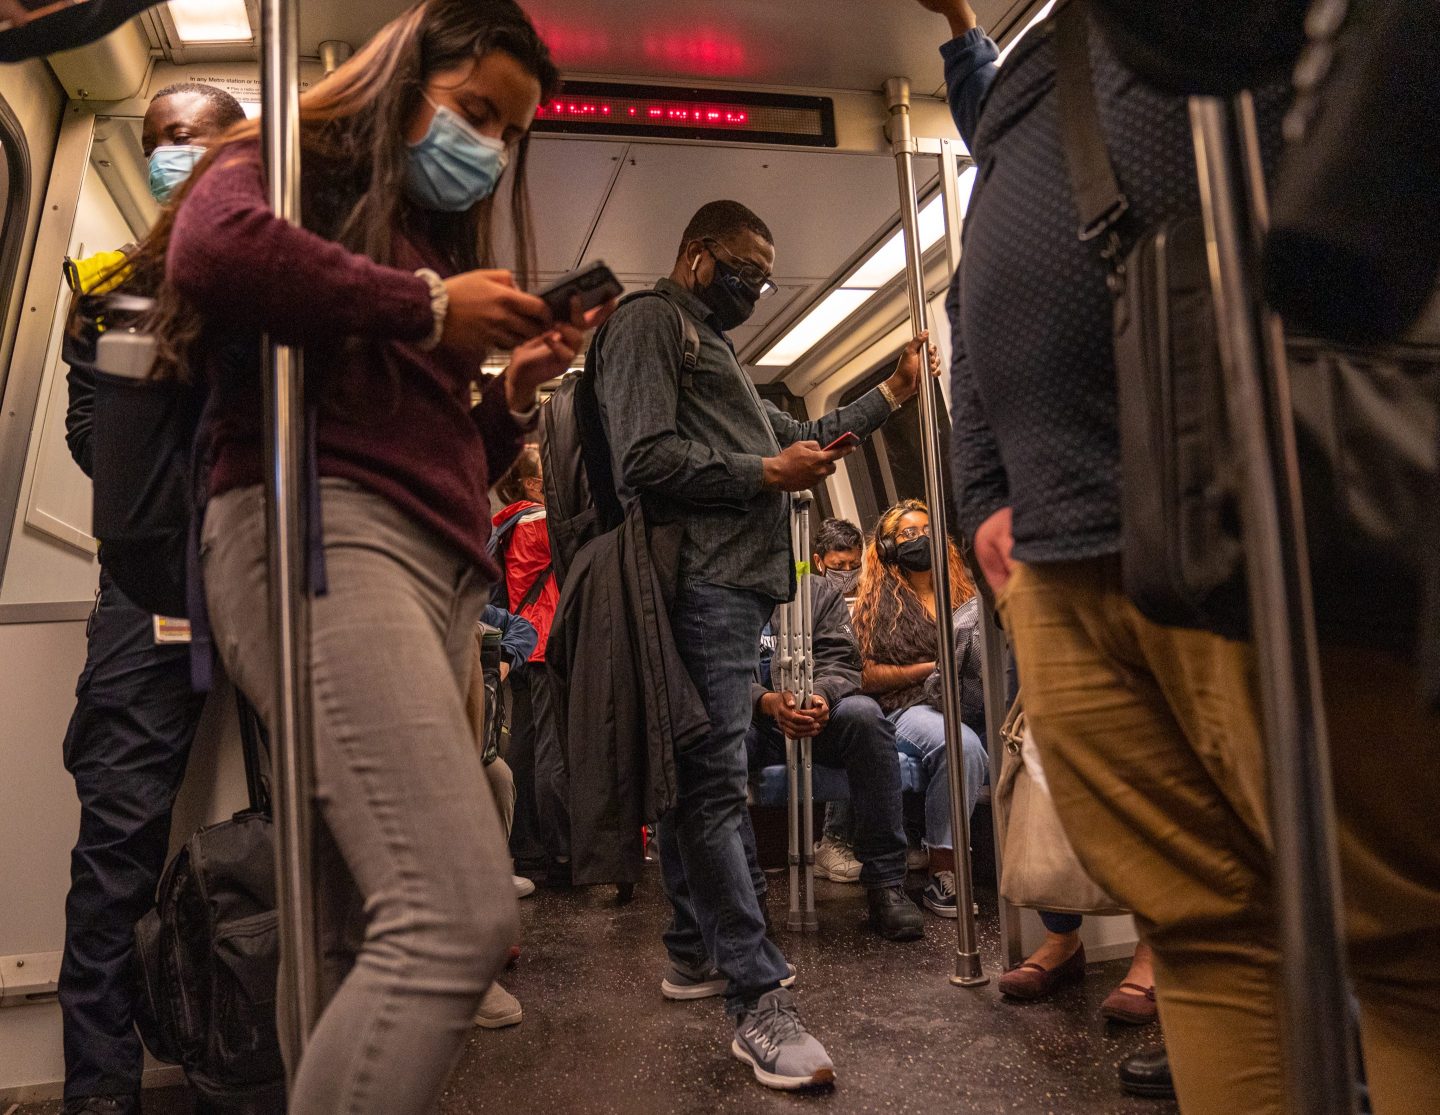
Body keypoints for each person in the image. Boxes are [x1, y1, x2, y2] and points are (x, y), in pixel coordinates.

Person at [919, 0, 1440, 1111]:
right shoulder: (1042, 62)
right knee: (1200, 930)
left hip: (1270, 495)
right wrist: (982, 496)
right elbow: (979, 293)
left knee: (1404, 936)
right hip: (1059, 552)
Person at [125, 2, 614, 1110]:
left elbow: (431, 455)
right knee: (455, 905)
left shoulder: (410, 245)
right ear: (405, 77)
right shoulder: (292, 164)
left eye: (506, 135)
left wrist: (513, 396)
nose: (486, 149)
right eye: (475, 112)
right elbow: (212, 242)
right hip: (321, 539)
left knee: (355, 927)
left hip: (422, 567)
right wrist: (429, 305)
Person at [592, 197, 939, 1090]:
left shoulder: (727, 364)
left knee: (694, 776)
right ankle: (756, 998)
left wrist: (892, 393)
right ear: (697, 255)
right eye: (744, 267)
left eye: (766, 274)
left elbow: (807, 439)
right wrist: (759, 474)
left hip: (734, 587)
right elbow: (641, 458)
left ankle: (691, 949)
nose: (755, 285)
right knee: (711, 782)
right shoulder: (650, 324)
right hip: (697, 580)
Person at [55, 81, 246, 1115]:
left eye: (197, 135)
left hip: (271, 580)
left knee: (309, 827)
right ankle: (99, 1092)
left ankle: (278, 1061)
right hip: (149, 582)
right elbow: (94, 442)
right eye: (161, 139)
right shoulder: (110, 285)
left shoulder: (277, 278)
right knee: (116, 847)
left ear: (240, 147)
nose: (178, 152)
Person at [746, 575, 924, 941]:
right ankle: (747, 897)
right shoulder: (726, 588)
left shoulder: (817, 592)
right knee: (716, 745)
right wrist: (764, 701)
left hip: (815, 714)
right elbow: (715, 671)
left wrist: (822, 696)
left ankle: (885, 883)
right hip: (752, 719)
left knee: (865, 717)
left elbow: (843, 660)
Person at [852, 499, 989, 920]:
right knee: (962, 746)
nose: (920, 539)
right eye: (908, 534)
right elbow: (866, 676)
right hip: (906, 707)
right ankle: (944, 870)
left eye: (926, 530)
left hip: (966, 700)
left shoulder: (964, 593)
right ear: (890, 547)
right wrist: (934, 667)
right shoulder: (875, 602)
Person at [491, 444, 569, 883]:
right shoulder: (538, 521)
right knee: (550, 750)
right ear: (534, 484)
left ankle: (525, 845)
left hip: (522, 642)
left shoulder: (507, 523)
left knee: (523, 744)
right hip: (543, 642)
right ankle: (557, 852)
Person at [806, 517, 865, 879]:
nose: (846, 573)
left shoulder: (871, 595)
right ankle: (834, 838)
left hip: (860, 679)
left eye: (852, 566)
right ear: (819, 561)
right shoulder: (810, 599)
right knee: (855, 715)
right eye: (837, 566)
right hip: (830, 684)